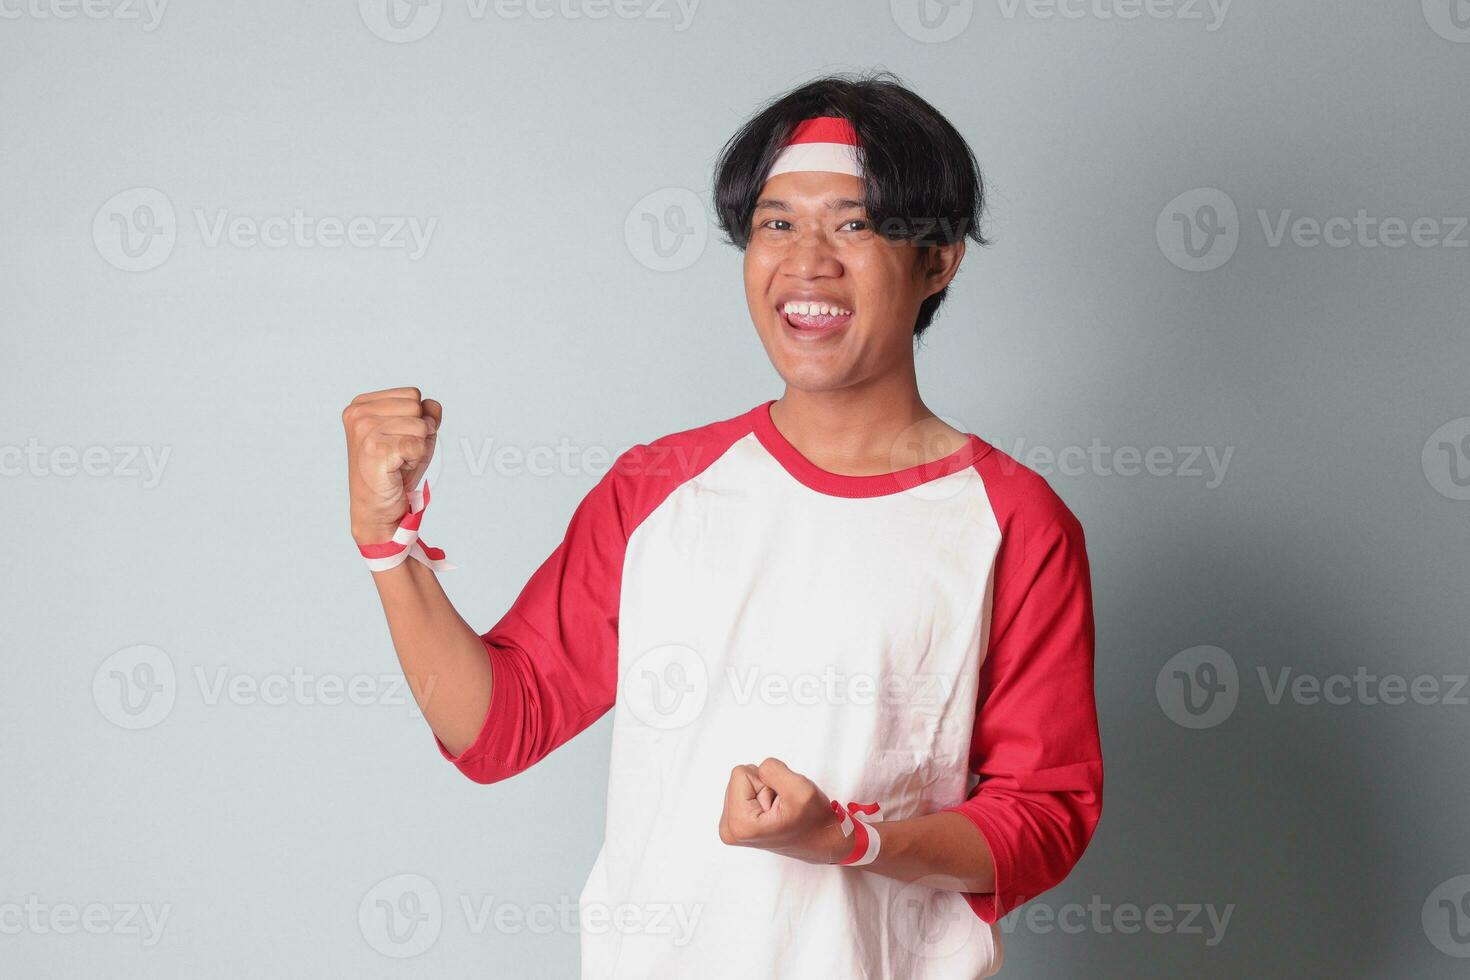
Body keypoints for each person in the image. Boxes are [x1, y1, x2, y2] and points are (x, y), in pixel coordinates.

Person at [341, 71, 1102, 979]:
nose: (806, 261)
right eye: (776, 223)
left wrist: (848, 840)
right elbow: (497, 727)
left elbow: (1044, 820)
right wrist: (388, 546)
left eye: (853, 224)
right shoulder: (657, 487)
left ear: (937, 260)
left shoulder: (1014, 523)